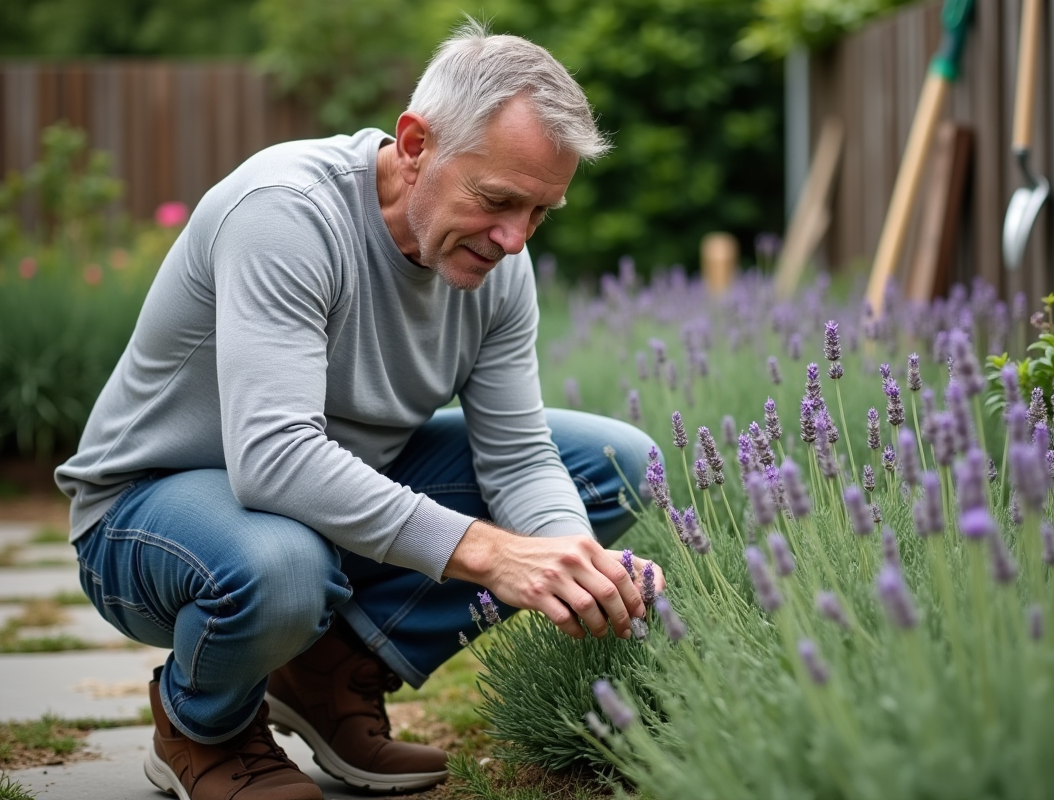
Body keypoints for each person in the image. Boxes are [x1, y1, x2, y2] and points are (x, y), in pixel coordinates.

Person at [55, 20, 662, 800]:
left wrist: (573, 563)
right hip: (150, 515)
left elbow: (517, 455)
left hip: (314, 507)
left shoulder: (497, 262)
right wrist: (496, 555)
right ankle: (201, 726)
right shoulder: (288, 213)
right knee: (280, 565)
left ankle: (327, 673)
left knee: (614, 468)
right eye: (499, 200)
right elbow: (274, 460)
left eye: (541, 212)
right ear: (415, 143)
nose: (516, 239)